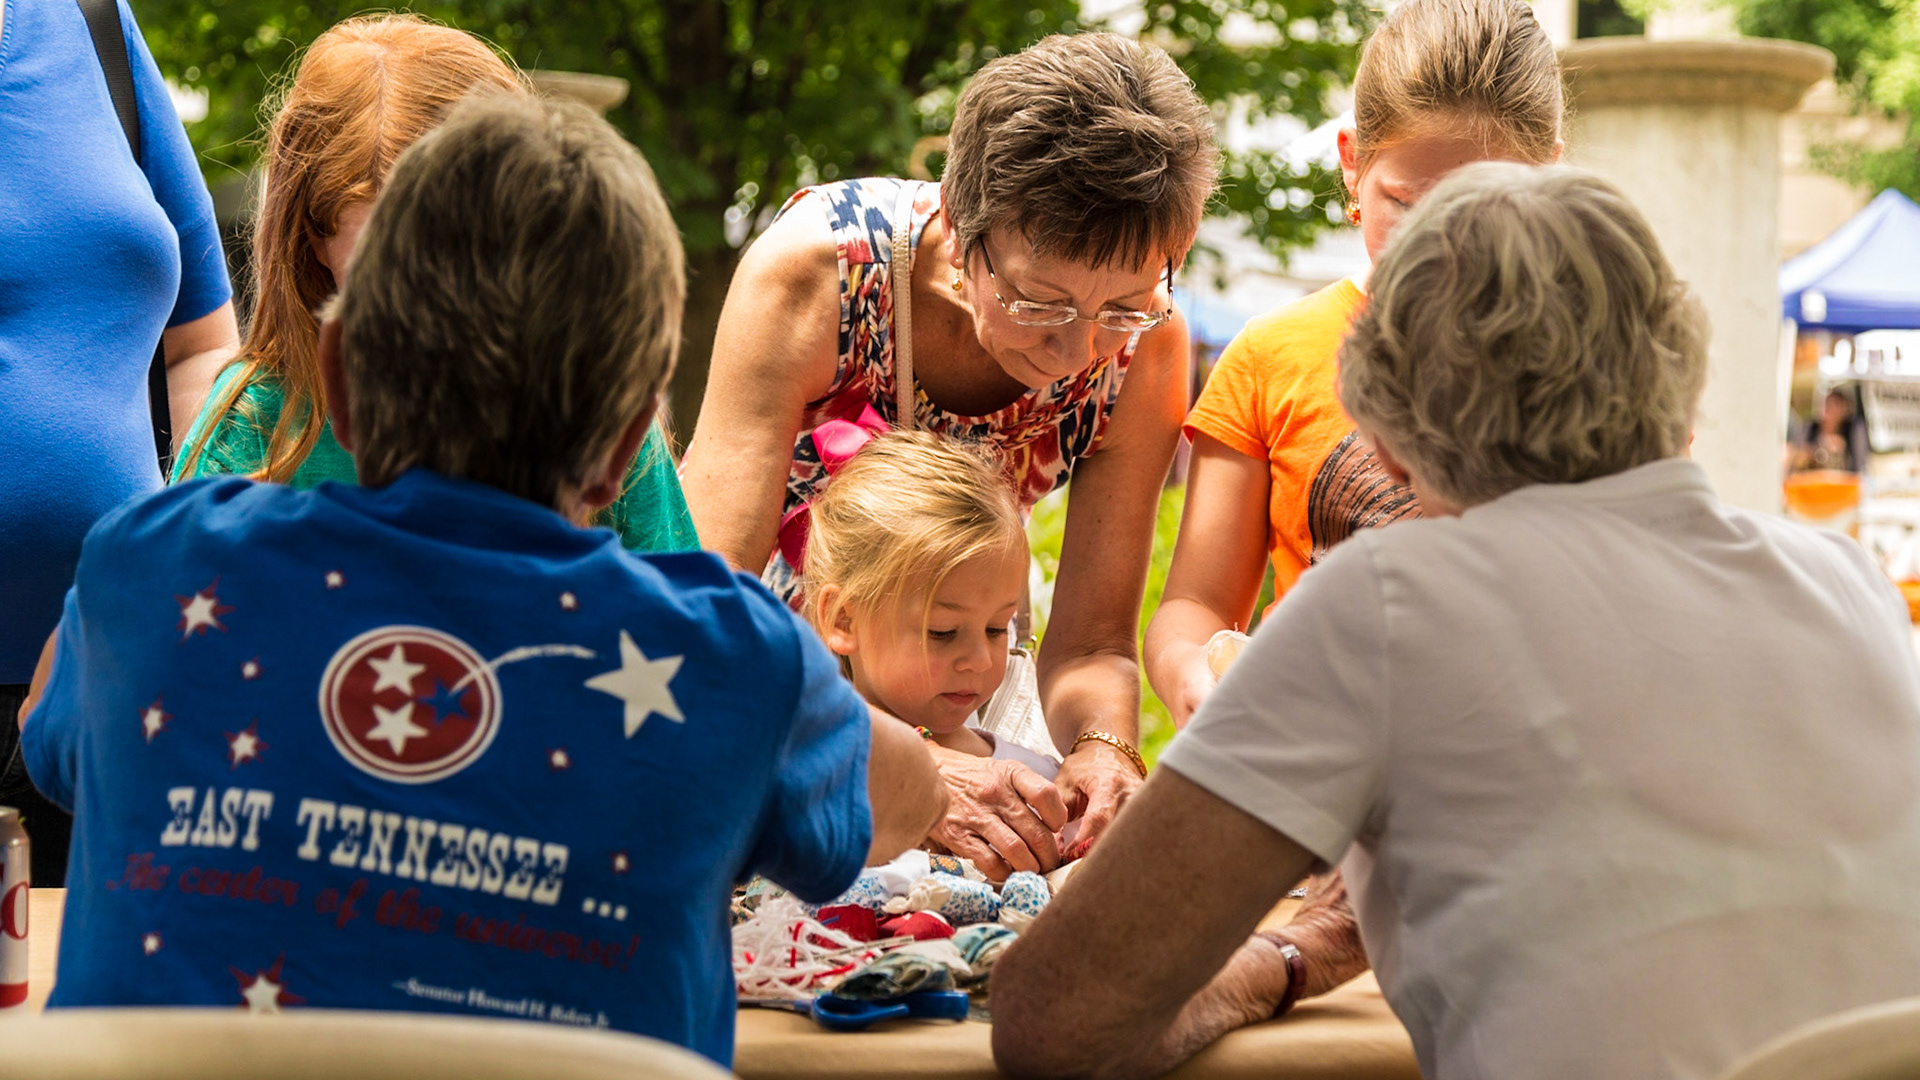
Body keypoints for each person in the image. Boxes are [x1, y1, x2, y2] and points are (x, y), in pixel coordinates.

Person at [19, 93, 943, 1067]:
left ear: (336, 376)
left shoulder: (150, 571)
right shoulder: (733, 664)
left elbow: (56, 738)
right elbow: (906, 800)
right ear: (630, 443)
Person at [992, 163, 1920, 1080]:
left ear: (1386, 438)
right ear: (1678, 375)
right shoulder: (1843, 582)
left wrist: (1281, 963)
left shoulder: (1386, 603)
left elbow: (1055, 1018)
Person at [682, 32, 1215, 872]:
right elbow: (702, 607)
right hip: (779, 683)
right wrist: (906, 769)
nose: (1078, 352)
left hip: (970, 653)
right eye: (1040, 303)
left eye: (1125, 304)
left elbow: (1090, 646)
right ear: (964, 227)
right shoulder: (820, 274)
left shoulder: (1146, 346)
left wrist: (1105, 750)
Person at [1145, 0, 1563, 728]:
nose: (1438, 245)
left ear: (1550, 180)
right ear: (1351, 162)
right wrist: (1197, 672)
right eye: (1403, 203)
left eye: (1479, 210)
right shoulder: (1271, 357)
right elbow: (1196, 606)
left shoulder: (1603, 363)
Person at [171, 15, 698, 553]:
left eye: (475, 267)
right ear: (312, 241)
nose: (436, 319)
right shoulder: (258, 426)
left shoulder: (590, 407)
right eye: (384, 282)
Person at [1, 0, 241, 887]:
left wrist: (183, 547)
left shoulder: (93, 23)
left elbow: (206, 344)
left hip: (117, 679)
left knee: (98, 1009)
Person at [805, 429, 1062, 799]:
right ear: (845, 620)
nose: (980, 660)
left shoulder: (1035, 783)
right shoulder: (798, 782)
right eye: (942, 632)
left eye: (995, 629)